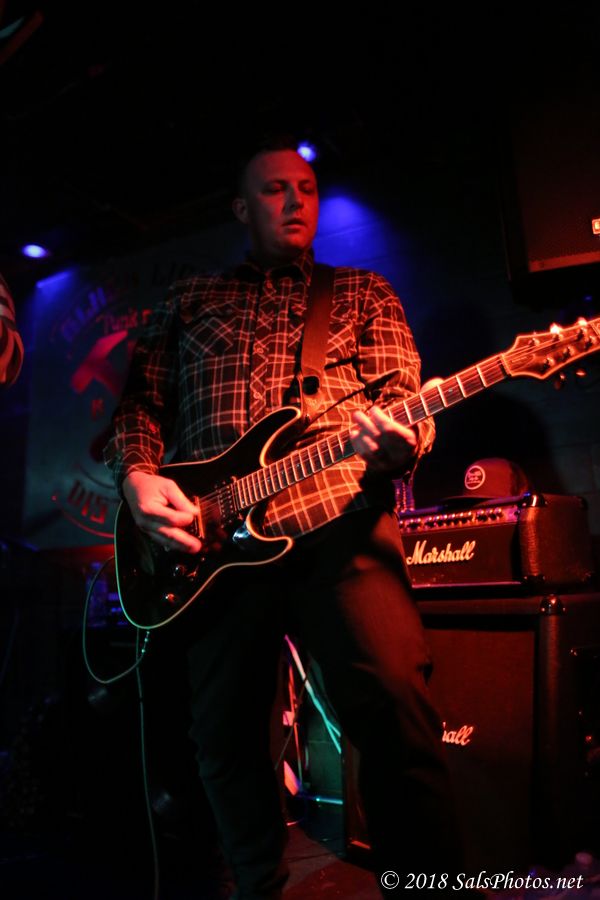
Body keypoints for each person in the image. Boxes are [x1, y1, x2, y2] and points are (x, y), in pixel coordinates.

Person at [104, 140, 463, 898]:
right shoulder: (191, 297)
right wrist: (137, 478)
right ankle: (259, 887)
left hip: (338, 519)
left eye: (307, 187)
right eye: (274, 189)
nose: (296, 200)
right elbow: (139, 406)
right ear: (242, 207)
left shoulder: (362, 291)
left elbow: (404, 398)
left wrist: (402, 441)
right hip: (209, 546)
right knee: (225, 739)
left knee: (398, 715)